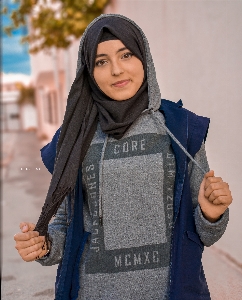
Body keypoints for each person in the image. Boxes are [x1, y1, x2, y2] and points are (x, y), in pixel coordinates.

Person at [14, 14, 232, 300]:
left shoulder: (179, 128)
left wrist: (211, 213)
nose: (116, 70)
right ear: (88, 72)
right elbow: (66, 224)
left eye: (126, 54)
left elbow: (205, 233)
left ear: (144, 57)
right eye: (101, 61)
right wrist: (44, 244)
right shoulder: (73, 139)